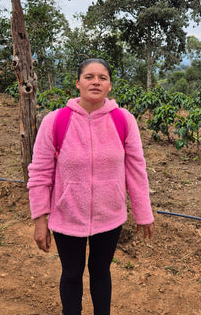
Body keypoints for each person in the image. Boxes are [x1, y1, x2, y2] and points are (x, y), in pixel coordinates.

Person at [27, 58, 154, 315]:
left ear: (109, 86)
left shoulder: (123, 120)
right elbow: (40, 173)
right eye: (89, 76)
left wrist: (143, 213)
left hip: (109, 215)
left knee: (100, 273)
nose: (95, 81)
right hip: (68, 214)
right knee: (71, 274)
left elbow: (136, 169)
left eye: (102, 78)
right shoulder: (55, 121)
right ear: (77, 83)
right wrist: (40, 220)